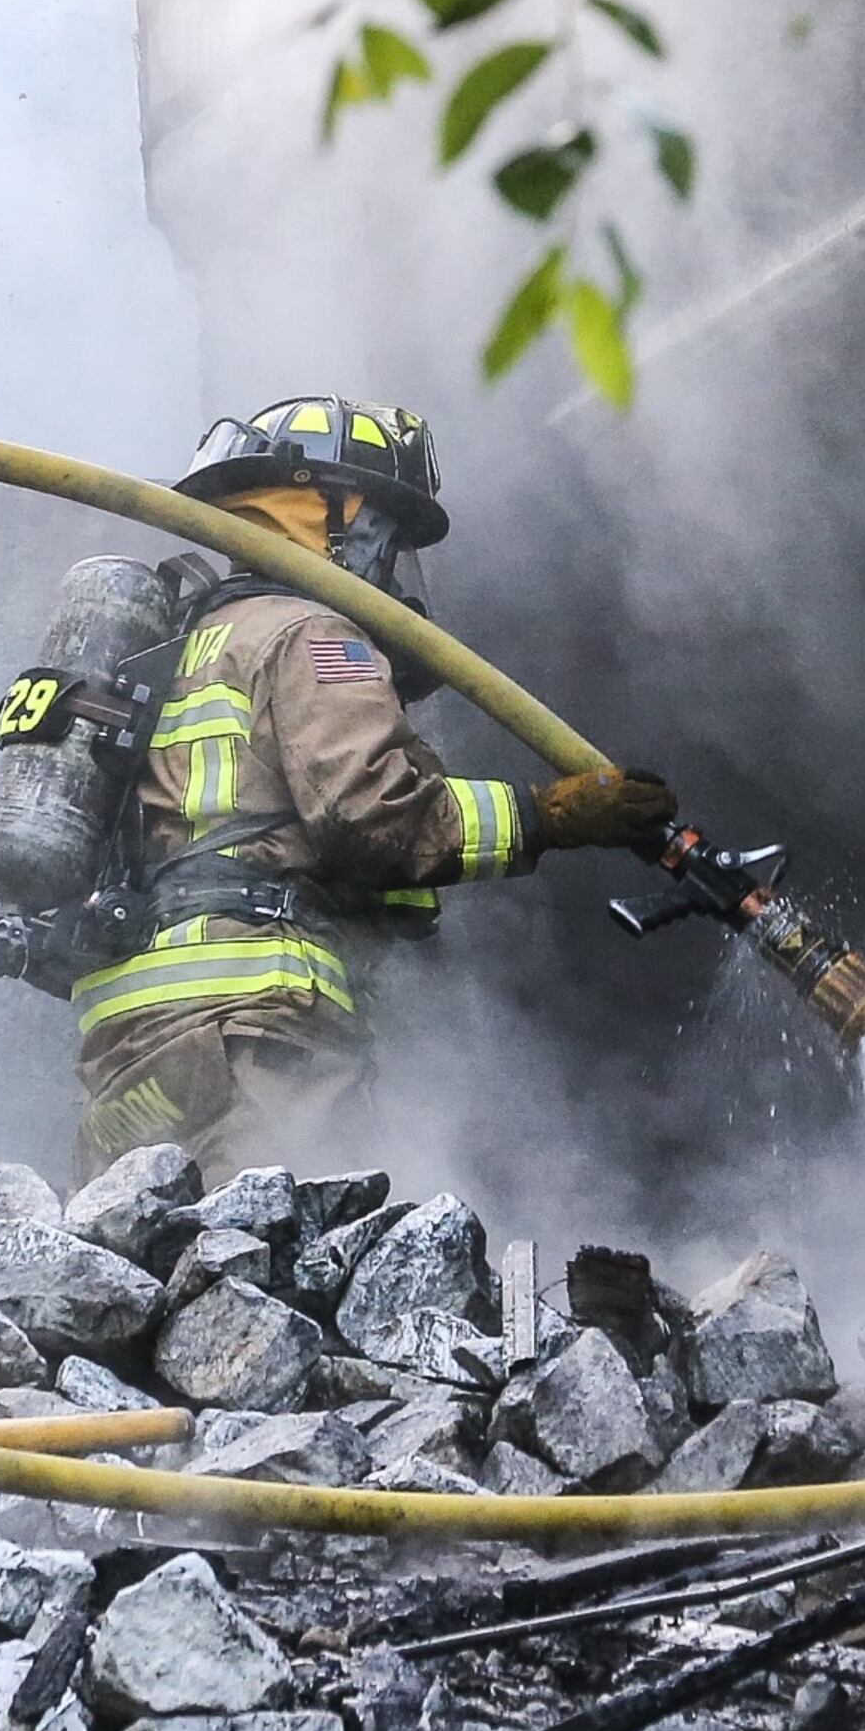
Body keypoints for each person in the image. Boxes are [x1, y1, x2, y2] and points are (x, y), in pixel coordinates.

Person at [65, 397, 675, 1177]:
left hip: (129, 1049)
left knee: (144, 1278)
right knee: (273, 1282)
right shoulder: (310, 633)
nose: (392, 567)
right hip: (254, 1034)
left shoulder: (176, 648)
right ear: (332, 515)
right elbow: (374, 819)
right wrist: (553, 814)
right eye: (388, 530)